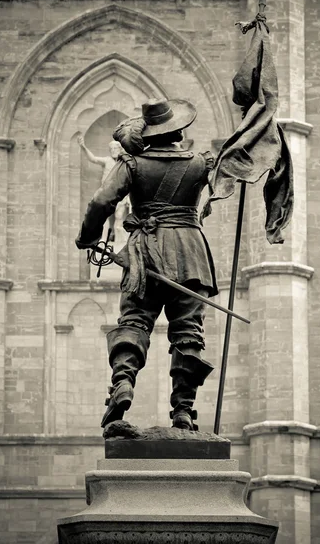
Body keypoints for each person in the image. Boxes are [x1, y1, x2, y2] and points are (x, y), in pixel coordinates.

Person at [76, 99, 217, 431]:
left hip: (145, 254)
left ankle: (122, 384)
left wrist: (86, 237)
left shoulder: (132, 164)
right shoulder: (200, 163)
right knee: (188, 332)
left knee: (135, 322)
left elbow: (101, 200)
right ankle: (183, 410)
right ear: (178, 130)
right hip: (190, 255)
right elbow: (230, 177)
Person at [77, 133, 129, 244]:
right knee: (104, 218)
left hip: (121, 194)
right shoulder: (107, 161)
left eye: (115, 148)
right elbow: (93, 159)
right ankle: (103, 239)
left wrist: (129, 197)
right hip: (107, 194)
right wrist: (83, 147)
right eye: (111, 149)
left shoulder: (124, 163)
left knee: (119, 217)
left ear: (120, 149)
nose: (113, 150)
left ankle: (119, 242)